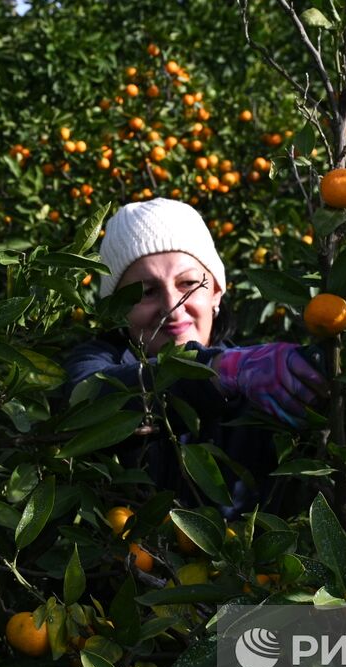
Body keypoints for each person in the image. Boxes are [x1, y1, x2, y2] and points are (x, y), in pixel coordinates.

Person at [63, 199, 327, 517]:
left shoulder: (262, 384)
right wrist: (217, 372)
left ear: (216, 291)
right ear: (117, 310)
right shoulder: (99, 363)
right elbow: (84, 400)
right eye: (146, 291)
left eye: (189, 283)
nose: (172, 306)